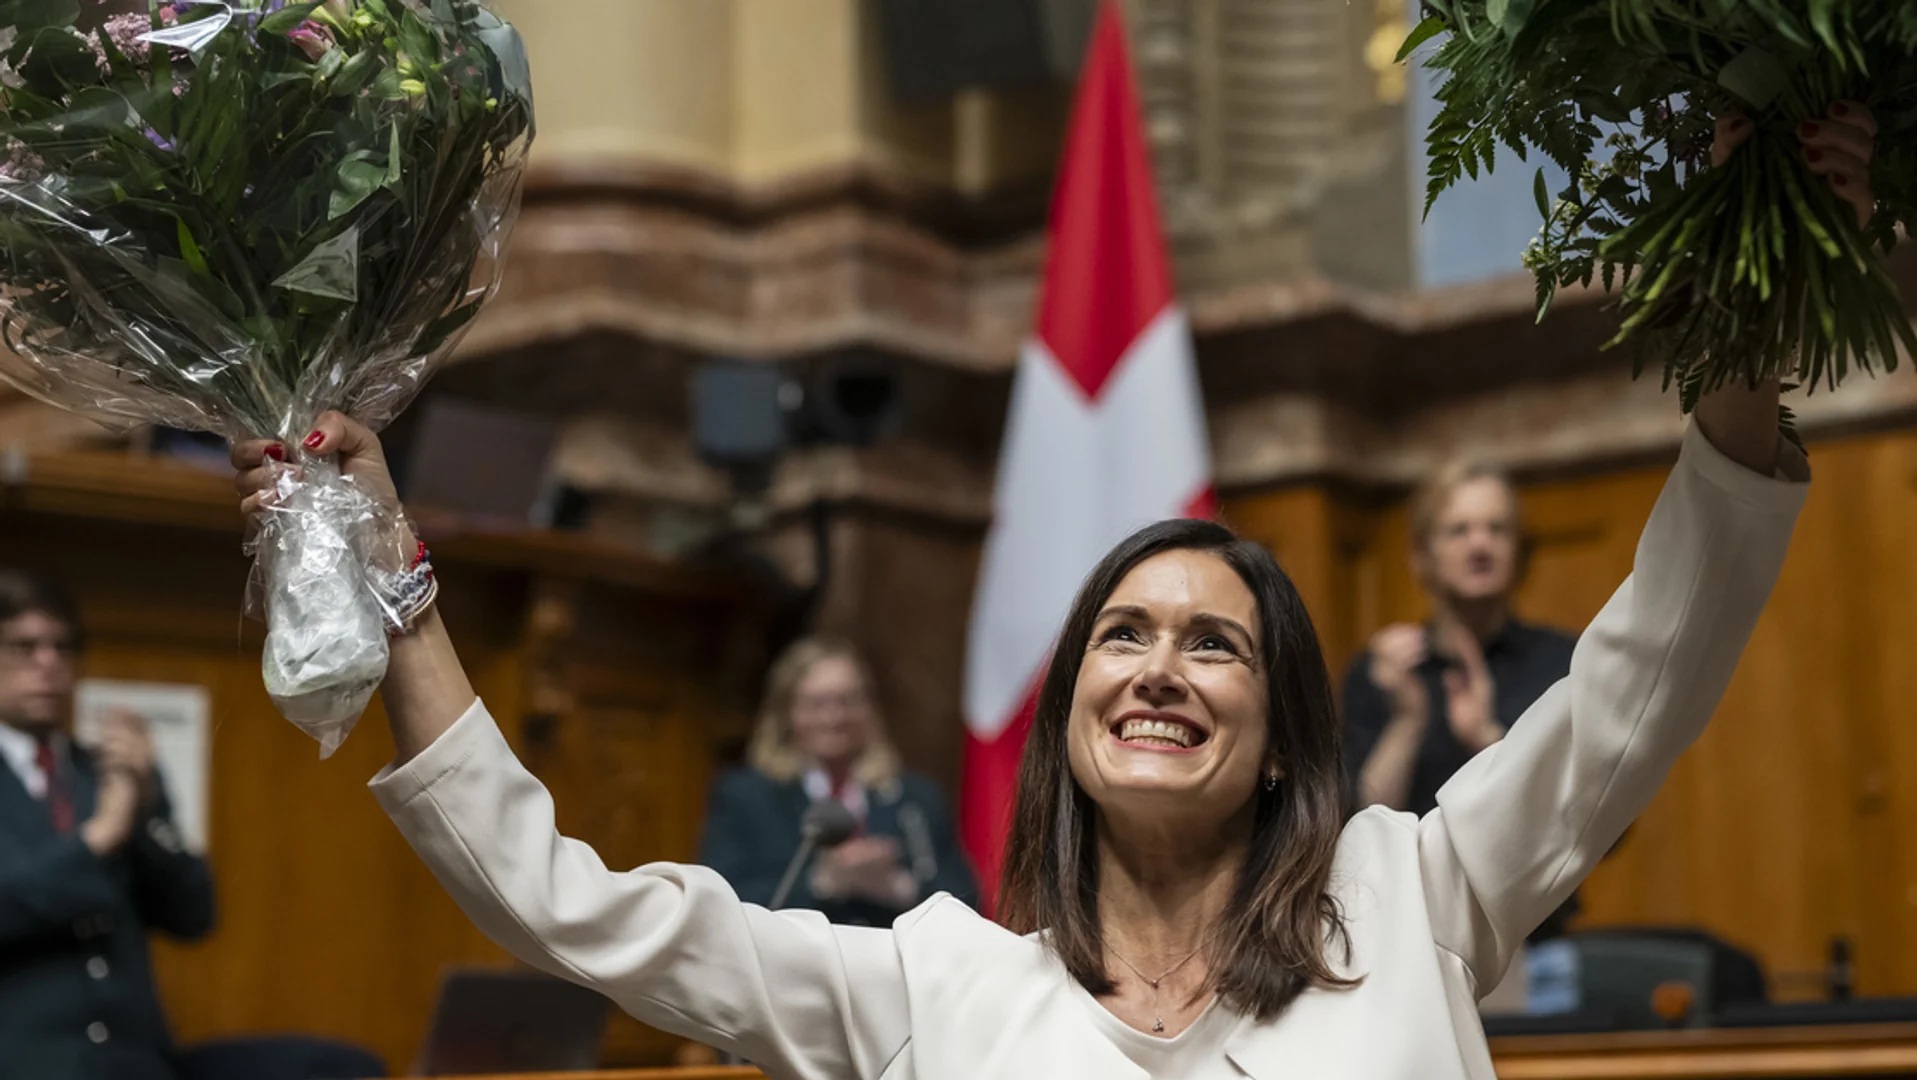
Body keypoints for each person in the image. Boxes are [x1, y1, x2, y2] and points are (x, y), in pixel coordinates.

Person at [228, 108, 1865, 1078]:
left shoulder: (1410, 893)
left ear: (1284, 730)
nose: (1156, 671)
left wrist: (1753, 319)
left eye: (1211, 644)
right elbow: (562, 904)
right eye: (1120, 637)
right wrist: (405, 603)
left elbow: (1636, 685)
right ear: (1068, 705)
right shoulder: (930, 982)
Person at [1340, 459, 1584, 944]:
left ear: (1519, 550)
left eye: (1497, 529)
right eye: (1458, 530)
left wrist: (1490, 741)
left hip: (1534, 936)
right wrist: (1407, 722)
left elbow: (1600, 819)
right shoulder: (1381, 671)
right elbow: (1354, 829)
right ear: (1421, 557)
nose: (1480, 544)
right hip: (1404, 934)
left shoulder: (1564, 663)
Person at [0, 571, 216, 1080]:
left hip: (136, 1063)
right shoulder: (105, 806)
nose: (48, 663)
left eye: (62, 647)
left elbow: (194, 916)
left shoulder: (109, 773)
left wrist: (142, 809)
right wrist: (99, 837)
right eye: (24, 647)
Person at [697, 636, 977, 924]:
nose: (833, 718)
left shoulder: (915, 798)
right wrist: (822, 882)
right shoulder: (746, 796)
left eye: (848, 701)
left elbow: (969, 902)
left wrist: (899, 887)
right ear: (786, 713)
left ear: (869, 709)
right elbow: (720, 902)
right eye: (816, 704)